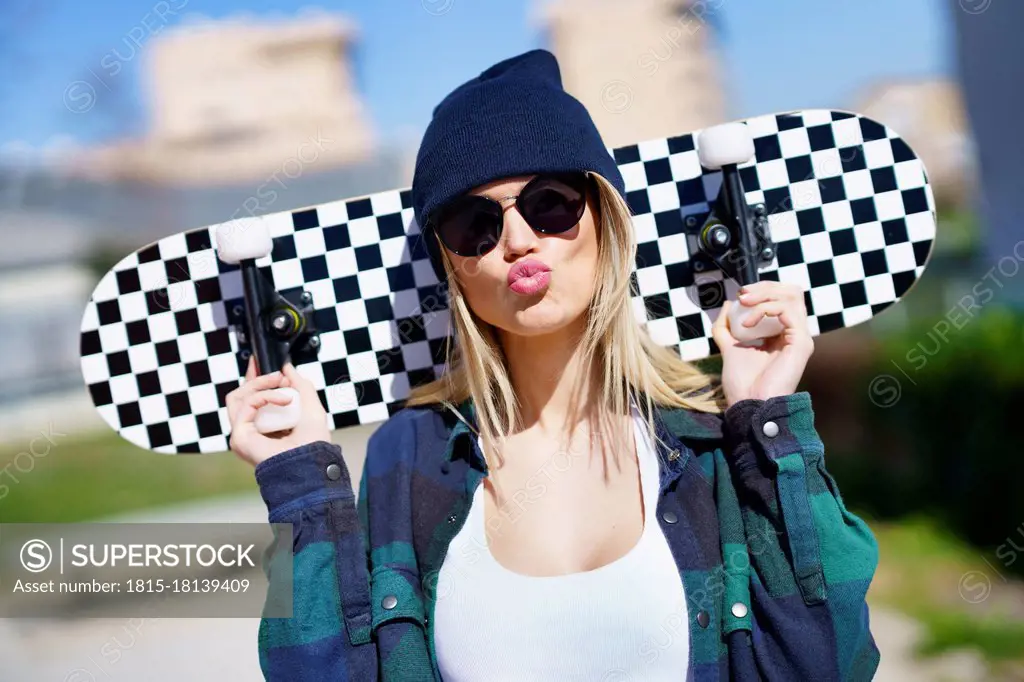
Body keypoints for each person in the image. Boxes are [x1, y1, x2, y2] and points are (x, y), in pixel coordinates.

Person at [228, 49, 879, 681]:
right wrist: (303, 495)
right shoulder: (409, 455)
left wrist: (768, 423)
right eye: (473, 223)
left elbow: (829, 662)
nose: (517, 239)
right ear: (451, 266)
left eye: (549, 204)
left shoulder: (711, 442)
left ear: (604, 218)